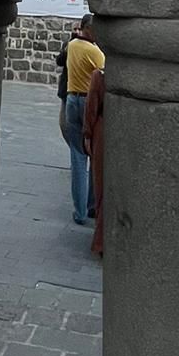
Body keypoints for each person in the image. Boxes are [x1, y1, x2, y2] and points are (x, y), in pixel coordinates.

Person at [64, 15, 104, 225]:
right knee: (92, 155)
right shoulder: (95, 52)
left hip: (72, 99)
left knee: (77, 156)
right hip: (89, 104)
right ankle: (90, 207)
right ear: (89, 29)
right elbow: (104, 76)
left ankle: (79, 211)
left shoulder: (72, 46)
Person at [83, 65, 105, 257]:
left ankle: (100, 242)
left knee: (101, 186)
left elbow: (91, 107)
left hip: (103, 133)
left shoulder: (100, 76)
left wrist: (87, 134)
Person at [55, 18, 85, 144]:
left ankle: (78, 152)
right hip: (66, 90)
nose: (77, 32)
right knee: (64, 125)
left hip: (80, 91)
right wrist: (67, 50)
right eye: (75, 29)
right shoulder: (68, 44)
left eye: (79, 29)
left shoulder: (87, 46)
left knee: (78, 127)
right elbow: (59, 61)